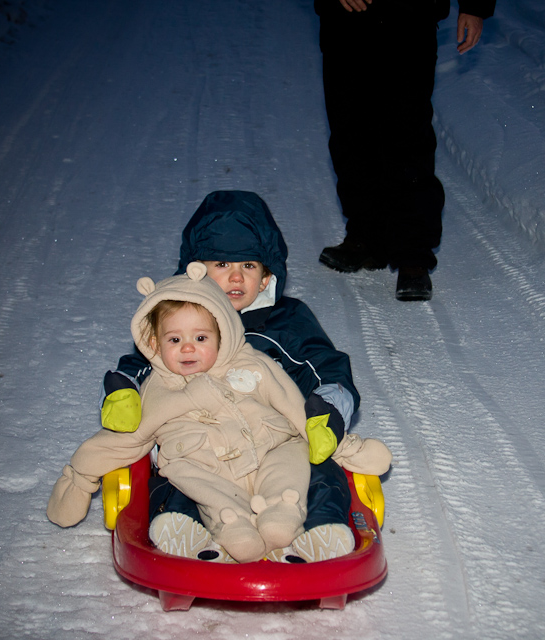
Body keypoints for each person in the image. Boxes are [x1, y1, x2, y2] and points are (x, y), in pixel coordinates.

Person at [99, 190, 391, 563]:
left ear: (268, 274)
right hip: (202, 441)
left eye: (250, 266)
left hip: (274, 439)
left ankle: (315, 535)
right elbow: (143, 358)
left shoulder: (286, 320)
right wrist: (123, 391)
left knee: (318, 468)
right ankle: (191, 536)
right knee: (181, 477)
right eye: (222, 263)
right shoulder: (178, 315)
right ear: (197, 269)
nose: (236, 276)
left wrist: (327, 409)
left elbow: (326, 366)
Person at [47, 262, 313, 564]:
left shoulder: (252, 364)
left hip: (268, 446)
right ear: (154, 343)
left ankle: (283, 510)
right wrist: (80, 476)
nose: (188, 349)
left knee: (292, 454)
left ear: (221, 336)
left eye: (200, 339)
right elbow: (127, 440)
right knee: (188, 474)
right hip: (208, 466)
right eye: (175, 340)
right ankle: (231, 525)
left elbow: (297, 410)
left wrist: (343, 445)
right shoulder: (155, 390)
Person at [315, 0, 496, 301]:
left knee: (408, 132)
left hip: (411, 14)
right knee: (350, 129)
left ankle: (413, 253)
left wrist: (475, 5)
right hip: (344, 18)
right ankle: (365, 236)